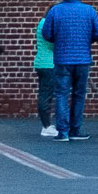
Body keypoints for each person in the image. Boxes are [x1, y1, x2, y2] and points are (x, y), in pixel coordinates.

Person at [41, 0, 98, 141]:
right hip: (83, 58)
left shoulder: (55, 11)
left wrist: (58, 39)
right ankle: (75, 130)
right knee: (79, 94)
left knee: (62, 94)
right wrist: (87, 40)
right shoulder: (89, 10)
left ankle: (62, 132)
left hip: (62, 58)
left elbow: (46, 34)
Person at [34, 9, 57, 137]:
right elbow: (53, 44)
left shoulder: (42, 22)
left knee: (44, 94)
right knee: (46, 96)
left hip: (41, 62)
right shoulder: (48, 25)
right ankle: (46, 126)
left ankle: (46, 124)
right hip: (49, 64)